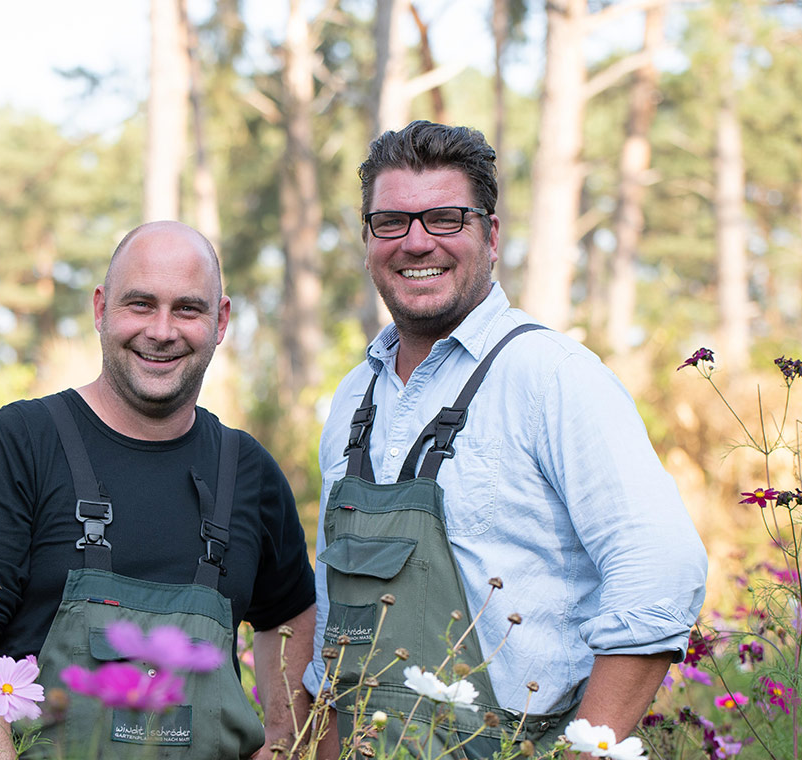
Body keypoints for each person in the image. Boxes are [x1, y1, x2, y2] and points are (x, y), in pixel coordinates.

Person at [303, 121, 707, 756]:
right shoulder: (354, 396)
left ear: (489, 236)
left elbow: (660, 571)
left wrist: (583, 750)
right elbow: (334, 611)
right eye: (392, 222)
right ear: (368, 241)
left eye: (445, 219)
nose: (416, 242)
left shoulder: (552, 375)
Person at [0, 221, 316, 759]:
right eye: (140, 304)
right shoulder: (22, 443)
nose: (161, 330)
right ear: (101, 308)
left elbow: (293, 613)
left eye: (187, 309)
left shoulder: (247, 470)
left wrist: (281, 743)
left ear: (220, 321)